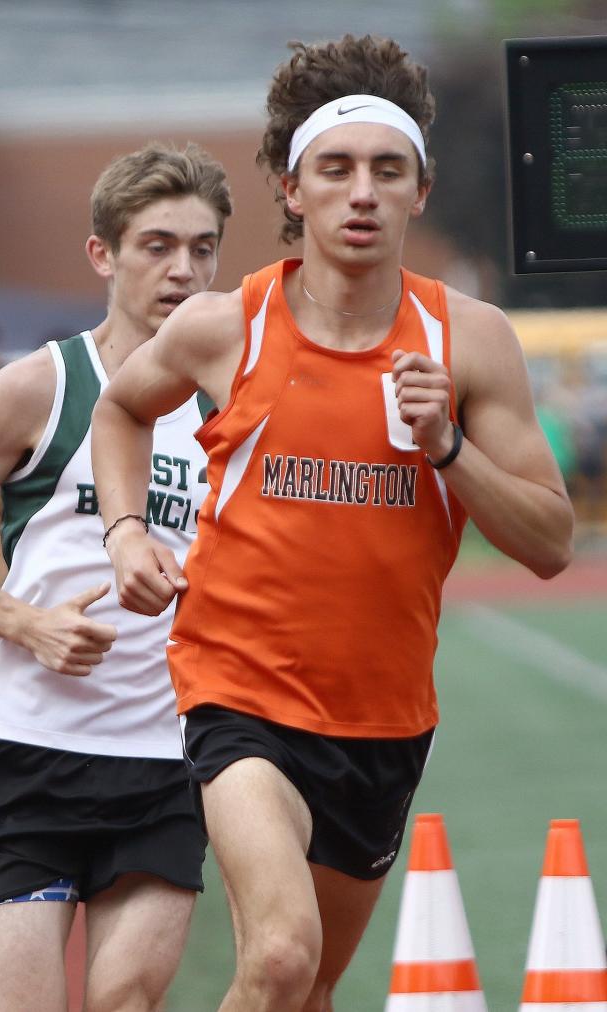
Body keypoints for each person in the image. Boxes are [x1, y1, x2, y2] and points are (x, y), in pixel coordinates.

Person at [90, 35, 574, 1012]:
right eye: (337, 170)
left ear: (419, 191)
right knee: (277, 956)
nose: (362, 193)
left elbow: (550, 542)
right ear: (292, 188)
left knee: (308, 988)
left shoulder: (468, 340)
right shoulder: (228, 325)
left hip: (382, 718)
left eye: (386, 171)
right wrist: (126, 528)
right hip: (239, 690)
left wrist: (447, 448)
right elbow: (117, 409)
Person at [0, 142, 233, 1012]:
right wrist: (20, 623)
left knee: (124, 999)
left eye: (201, 247)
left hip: (165, 757)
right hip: (34, 747)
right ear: (102, 255)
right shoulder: (41, 387)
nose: (182, 269)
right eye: (156, 246)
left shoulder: (233, 403)